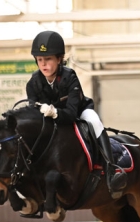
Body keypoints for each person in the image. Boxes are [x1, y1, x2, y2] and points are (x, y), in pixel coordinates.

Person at [26, 30, 127, 198]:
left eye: (48, 59)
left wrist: (54, 112)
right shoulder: (34, 82)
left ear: (59, 59)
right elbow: (33, 110)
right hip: (50, 119)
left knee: (94, 121)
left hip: (79, 112)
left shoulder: (69, 76)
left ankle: (111, 170)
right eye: (40, 60)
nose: (44, 64)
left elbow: (72, 114)